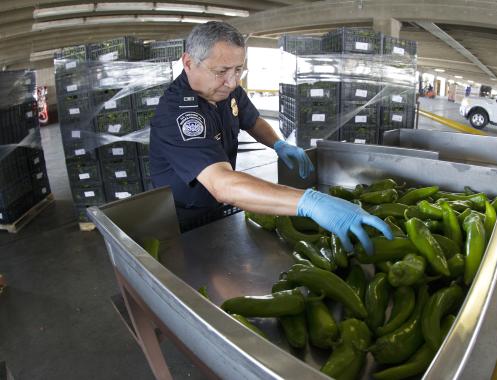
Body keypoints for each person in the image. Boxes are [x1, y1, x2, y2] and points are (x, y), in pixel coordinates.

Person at [149, 21, 392, 255]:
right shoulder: (177, 114)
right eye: (221, 71)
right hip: (184, 216)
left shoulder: (225, 89)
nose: (232, 82)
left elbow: (252, 120)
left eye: (238, 70)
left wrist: (278, 144)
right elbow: (222, 184)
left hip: (217, 206)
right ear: (188, 62)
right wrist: (311, 202)